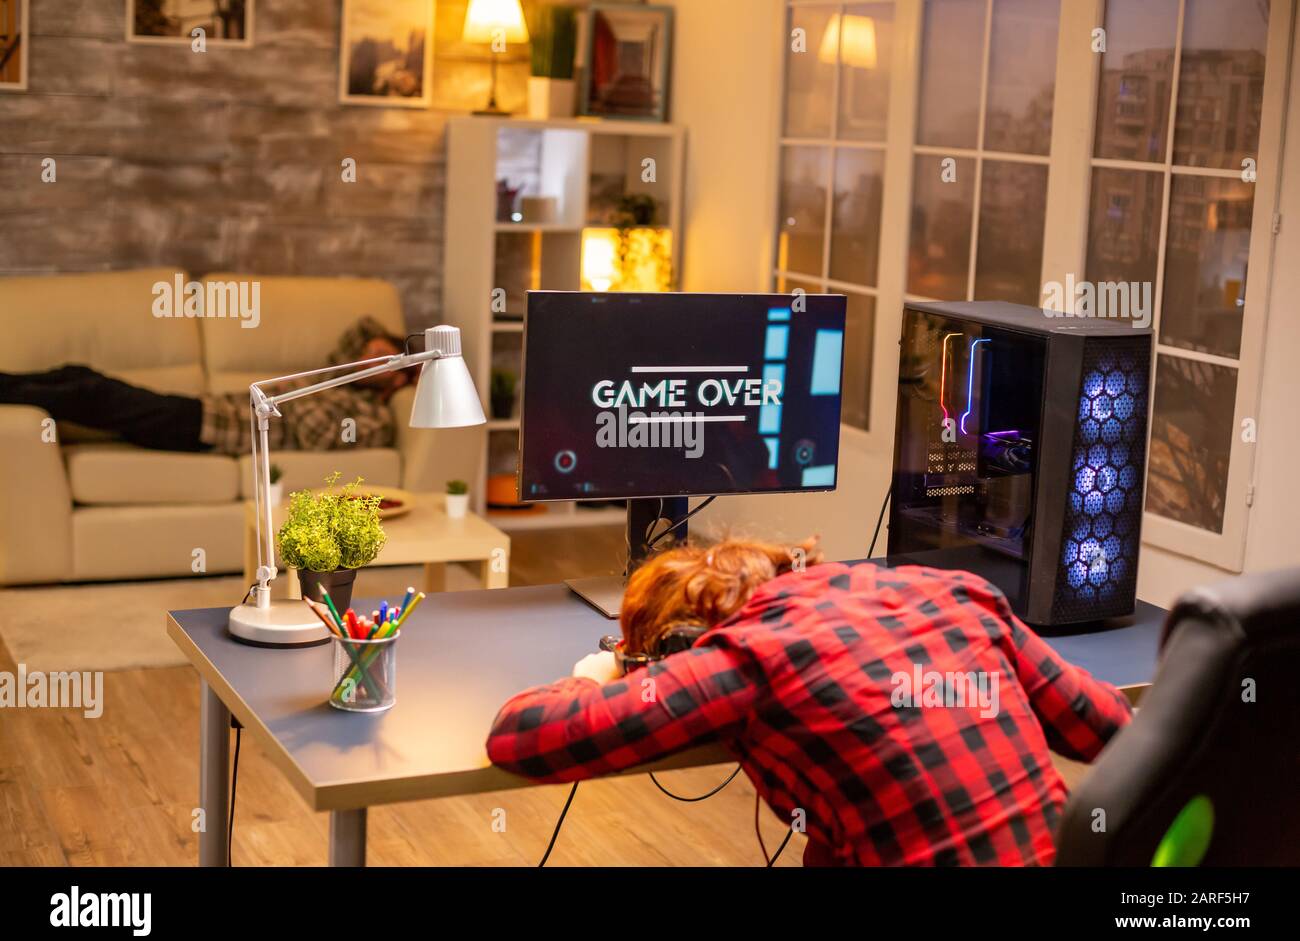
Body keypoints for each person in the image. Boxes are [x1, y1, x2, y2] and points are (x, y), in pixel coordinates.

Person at [487, 536, 1134, 866]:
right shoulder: (954, 595)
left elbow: (521, 736)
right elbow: (1113, 730)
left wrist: (597, 673)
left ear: (682, 643)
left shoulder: (745, 658)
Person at [0, 317, 413, 454]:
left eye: (377, 359)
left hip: (210, 429)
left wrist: (404, 363)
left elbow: (318, 435)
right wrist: (380, 353)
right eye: (366, 351)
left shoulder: (373, 415)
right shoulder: (335, 374)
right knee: (81, 375)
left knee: (93, 393)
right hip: (202, 406)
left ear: (395, 378)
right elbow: (363, 325)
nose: (364, 359)